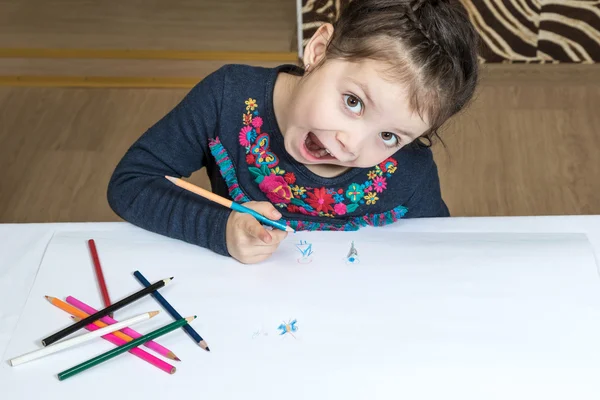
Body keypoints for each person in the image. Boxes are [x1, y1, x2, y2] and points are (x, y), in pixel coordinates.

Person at [107, 0, 479, 264]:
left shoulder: (411, 172)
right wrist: (218, 229)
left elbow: (435, 255)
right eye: (353, 102)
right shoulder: (227, 99)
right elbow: (132, 183)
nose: (350, 145)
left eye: (389, 136)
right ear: (318, 50)